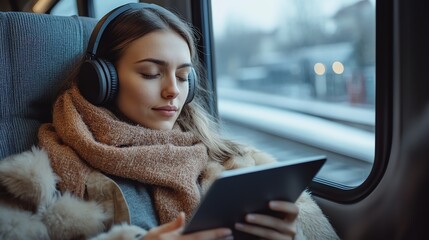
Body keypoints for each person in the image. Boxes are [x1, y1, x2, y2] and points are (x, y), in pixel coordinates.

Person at [0, 3, 339, 240]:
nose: (172, 91)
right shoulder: (36, 182)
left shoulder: (237, 164)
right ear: (101, 81)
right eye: (151, 73)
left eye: (182, 76)